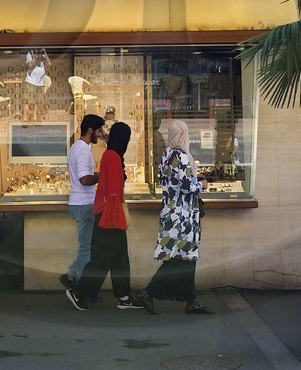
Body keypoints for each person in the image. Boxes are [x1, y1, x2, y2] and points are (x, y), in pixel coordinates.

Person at [135, 119, 211, 315]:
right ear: (182, 135)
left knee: (186, 257)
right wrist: (201, 185)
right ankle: (149, 292)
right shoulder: (181, 156)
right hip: (183, 215)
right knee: (180, 257)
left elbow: (175, 182)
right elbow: (186, 187)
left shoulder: (167, 155)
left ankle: (191, 299)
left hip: (173, 212)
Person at [68, 121, 145, 311]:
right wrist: (116, 215)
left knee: (119, 257)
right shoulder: (113, 157)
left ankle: (124, 295)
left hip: (110, 212)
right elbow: (112, 191)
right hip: (109, 214)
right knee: (103, 258)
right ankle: (80, 291)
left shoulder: (111, 155)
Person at [59, 114, 105, 294]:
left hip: (81, 203)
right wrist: (103, 176)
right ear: (90, 130)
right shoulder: (83, 149)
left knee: (87, 247)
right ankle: (73, 279)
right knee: (87, 249)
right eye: (99, 130)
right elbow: (85, 179)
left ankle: (74, 279)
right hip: (84, 204)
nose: (100, 135)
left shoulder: (77, 147)